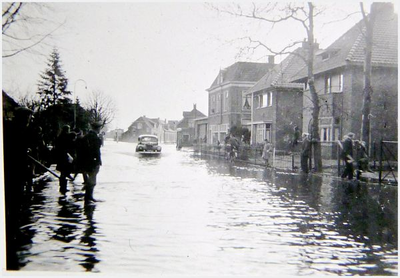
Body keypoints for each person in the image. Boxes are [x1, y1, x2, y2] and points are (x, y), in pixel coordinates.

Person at [81, 121, 103, 203]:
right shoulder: (95, 138)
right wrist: (98, 161)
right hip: (93, 161)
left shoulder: (85, 137)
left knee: (90, 178)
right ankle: (89, 197)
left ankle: (88, 196)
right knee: (92, 179)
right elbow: (96, 151)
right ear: (97, 129)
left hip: (86, 160)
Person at [54, 125, 75, 192]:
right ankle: (63, 187)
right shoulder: (66, 137)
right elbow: (69, 145)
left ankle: (62, 186)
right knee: (64, 171)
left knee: (63, 172)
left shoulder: (59, 136)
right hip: (64, 156)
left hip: (60, 156)